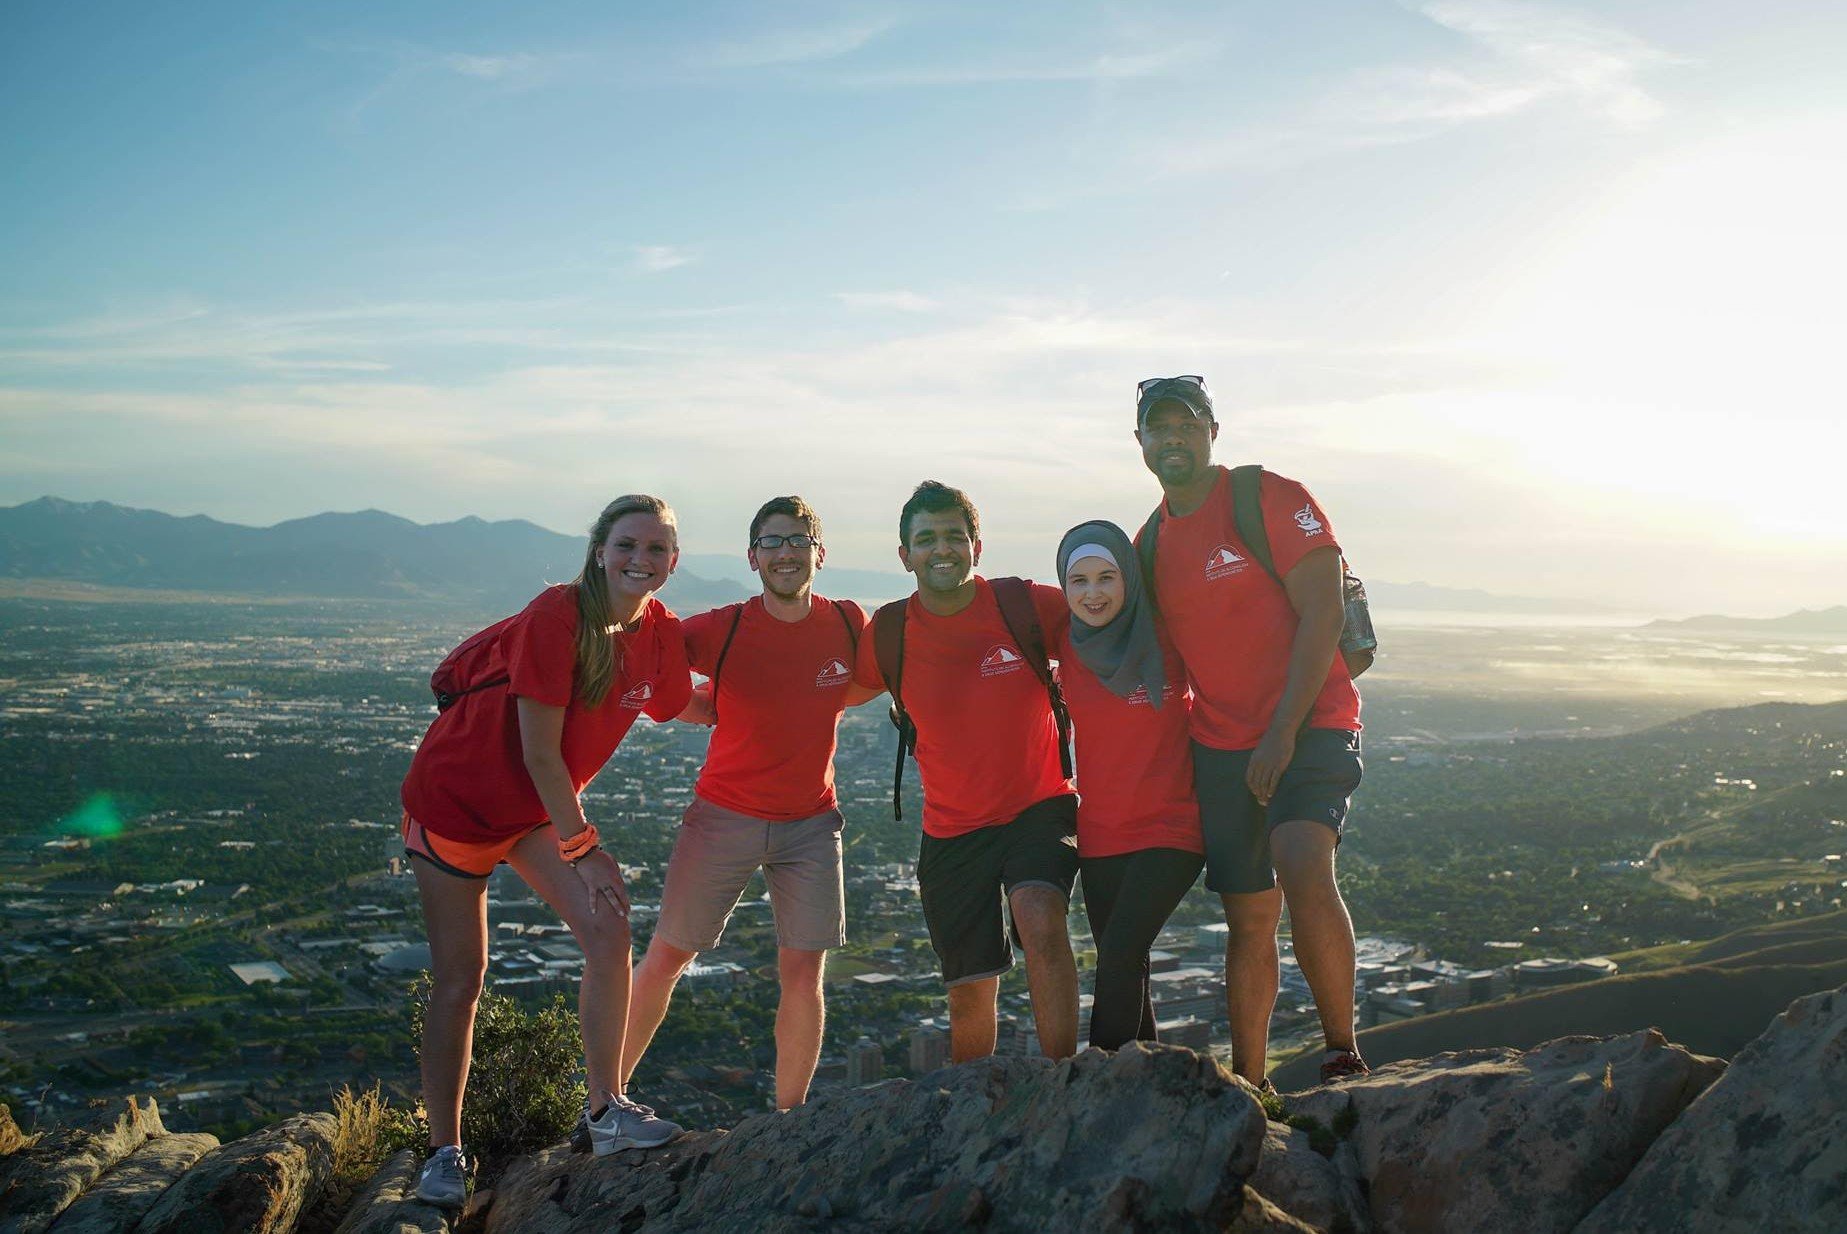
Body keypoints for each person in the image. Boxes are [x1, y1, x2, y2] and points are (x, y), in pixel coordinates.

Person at [397, 495, 692, 1207]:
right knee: (461, 980)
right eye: (626, 545)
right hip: (457, 808)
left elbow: (683, 702)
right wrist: (584, 846)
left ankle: (605, 1112)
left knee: (608, 929)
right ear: (598, 550)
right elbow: (538, 752)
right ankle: (444, 1153)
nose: (639, 560)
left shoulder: (657, 633)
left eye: (655, 550)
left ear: (673, 563)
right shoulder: (554, 617)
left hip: (532, 814)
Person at [1132, 375, 1369, 1087]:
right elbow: (1142, 653)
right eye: (1157, 427)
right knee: (1247, 915)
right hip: (1222, 744)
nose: (1172, 437)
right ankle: (1250, 1082)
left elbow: (1323, 612)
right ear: (1139, 441)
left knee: (1301, 862)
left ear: (1211, 429)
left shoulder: (1268, 497)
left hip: (1313, 721)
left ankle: (1340, 1052)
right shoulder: (1150, 540)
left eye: (1186, 423)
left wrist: (1280, 735)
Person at [621, 496, 878, 1111]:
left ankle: (788, 1121)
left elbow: (870, 679)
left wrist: (815, 702)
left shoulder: (846, 622)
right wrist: (695, 706)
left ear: (819, 552)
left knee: (803, 972)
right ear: (752, 557)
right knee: (666, 957)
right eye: (773, 542)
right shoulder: (724, 627)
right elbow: (648, 657)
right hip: (723, 816)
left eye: (797, 540)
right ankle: (602, 1097)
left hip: (812, 823)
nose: (785, 552)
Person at [852, 480, 1080, 1063]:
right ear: (904, 555)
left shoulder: (1024, 605)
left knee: (1039, 917)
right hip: (953, 829)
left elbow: (1108, 625)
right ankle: (971, 1105)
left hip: (1041, 805)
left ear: (977, 545)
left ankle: (1066, 1084)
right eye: (925, 539)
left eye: (955, 535)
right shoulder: (892, 630)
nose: (942, 549)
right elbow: (833, 690)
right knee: (968, 985)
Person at [1053, 520, 1204, 1050]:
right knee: (1126, 961)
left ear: (1129, 580)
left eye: (1107, 577)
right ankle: (1149, 1085)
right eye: (1079, 581)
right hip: (1100, 834)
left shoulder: (1171, 634)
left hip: (1173, 828)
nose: (1093, 593)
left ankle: (1098, 1084)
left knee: (1118, 952)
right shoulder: (1065, 645)